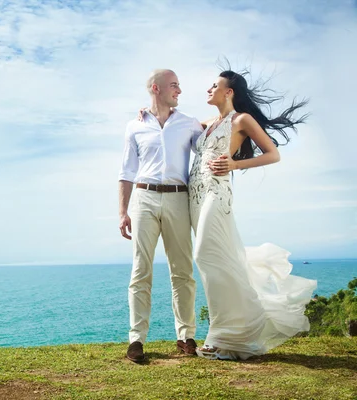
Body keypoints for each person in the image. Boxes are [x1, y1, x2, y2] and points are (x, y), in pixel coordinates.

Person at [189, 69, 317, 360]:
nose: (209, 89)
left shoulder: (241, 120)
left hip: (216, 193)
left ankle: (221, 335)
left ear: (229, 92)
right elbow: (173, 126)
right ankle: (231, 330)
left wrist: (234, 165)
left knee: (204, 255)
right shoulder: (208, 122)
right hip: (193, 196)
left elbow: (273, 154)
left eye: (215, 86)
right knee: (218, 260)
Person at [118, 69, 204, 363]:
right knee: (140, 271)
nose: (179, 90)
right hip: (144, 198)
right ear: (156, 88)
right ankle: (136, 340)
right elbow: (126, 172)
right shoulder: (135, 126)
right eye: (174, 85)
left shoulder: (189, 123)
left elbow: (209, 141)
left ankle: (186, 336)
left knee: (182, 271)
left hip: (179, 199)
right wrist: (122, 212)